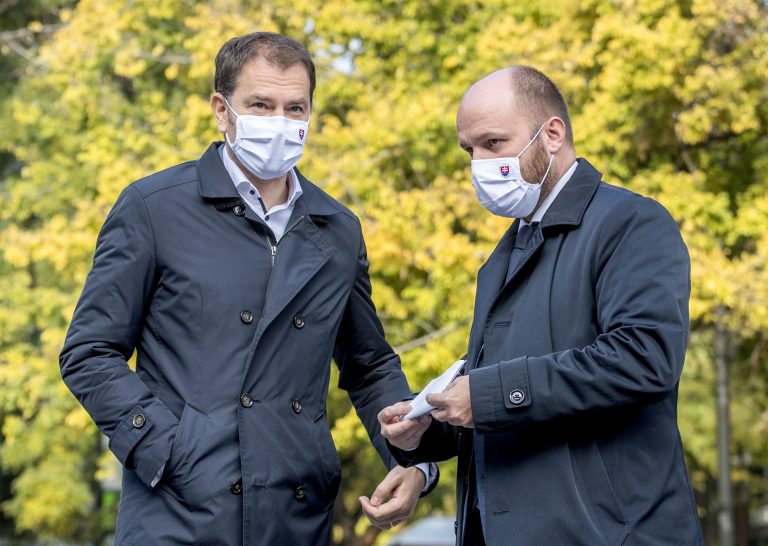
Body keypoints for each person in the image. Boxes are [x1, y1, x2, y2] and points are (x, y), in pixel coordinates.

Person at [59, 32, 435, 545]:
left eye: (294, 108)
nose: (280, 121)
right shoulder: (154, 208)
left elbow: (369, 367)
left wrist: (413, 462)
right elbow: (89, 351)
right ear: (222, 110)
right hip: (177, 514)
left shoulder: (337, 229)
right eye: (261, 105)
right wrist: (164, 449)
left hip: (296, 512)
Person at [379, 66, 704, 545]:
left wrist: (486, 395)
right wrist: (425, 430)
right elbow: (504, 401)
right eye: (470, 150)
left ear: (553, 134)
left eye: (493, 143)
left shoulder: (632, 222)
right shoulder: (503, 256)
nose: (479, 164)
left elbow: (644, 358)